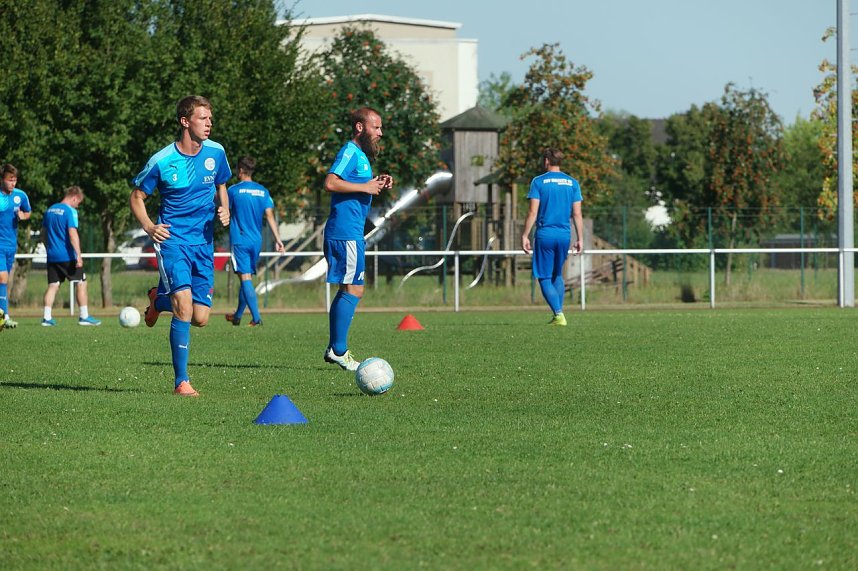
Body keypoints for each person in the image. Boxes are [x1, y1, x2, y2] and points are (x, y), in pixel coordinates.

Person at [130, 95, 231, 397]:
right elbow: (137, 197)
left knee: (200, 318)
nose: (209, 123)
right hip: (173, 242)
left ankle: (157, 299)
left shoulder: (216, 152)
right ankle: (181, 382)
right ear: (185, 122)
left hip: (203, 244)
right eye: (203, 118)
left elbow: (221, 183)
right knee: (184, 308)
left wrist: (223, 207)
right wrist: (149, 227)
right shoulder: (162, 160)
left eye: (210, 118)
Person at [322, 107, 392, 371]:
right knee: (354, 288)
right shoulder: (350, 152)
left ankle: (335, 348)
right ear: (361, 127)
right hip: (345, 232)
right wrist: (365, 186)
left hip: (350, 232)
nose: (380, 133)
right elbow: (331, 182)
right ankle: (338, 350)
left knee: (349, 288)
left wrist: (376, 182)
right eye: (376, 127)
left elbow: (354, 185)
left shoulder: (361, 156)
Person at [521, 148, 584, 326]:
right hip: (564, 235)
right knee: (557, 274)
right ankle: (559, 315)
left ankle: (559, 314)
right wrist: (580, 238)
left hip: (546, 234)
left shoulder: (538, 182)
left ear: (547, 161)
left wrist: (525, 234)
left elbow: (533, 211)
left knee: (544, 276)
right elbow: (577, 214)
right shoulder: (573, 183)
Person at [224, 156, 284, 327]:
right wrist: (278, 239)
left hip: (240, 239)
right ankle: (237, 316)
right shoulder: (263, 191)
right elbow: (270, 216)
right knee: (247, 276)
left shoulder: (234, 191)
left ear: (241, 171)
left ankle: (256, 318)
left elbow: (222, 209)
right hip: (256, 241)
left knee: (245, 278)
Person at [40, 186, 101, 327]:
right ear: (74, 198)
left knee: (53, 285)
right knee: (81, 282)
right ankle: (84, 316)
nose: (77, 206)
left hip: (52, 256)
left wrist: (49, 248)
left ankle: (46, 318)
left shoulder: (49, 210)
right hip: (67, 256)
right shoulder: (69, 211)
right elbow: (73, 234)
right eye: (78, 202)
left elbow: (43, 234)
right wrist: (78, 255)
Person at [0, 163, 31, 329]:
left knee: (5, 280)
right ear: (2, 179)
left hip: (11, 245)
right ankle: (4, 316)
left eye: (15, 180)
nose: (13, 183)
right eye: (10, 180)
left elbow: (28, 212)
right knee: (2, 278)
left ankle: (4, 316)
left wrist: (23, 216)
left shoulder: (20, 195)